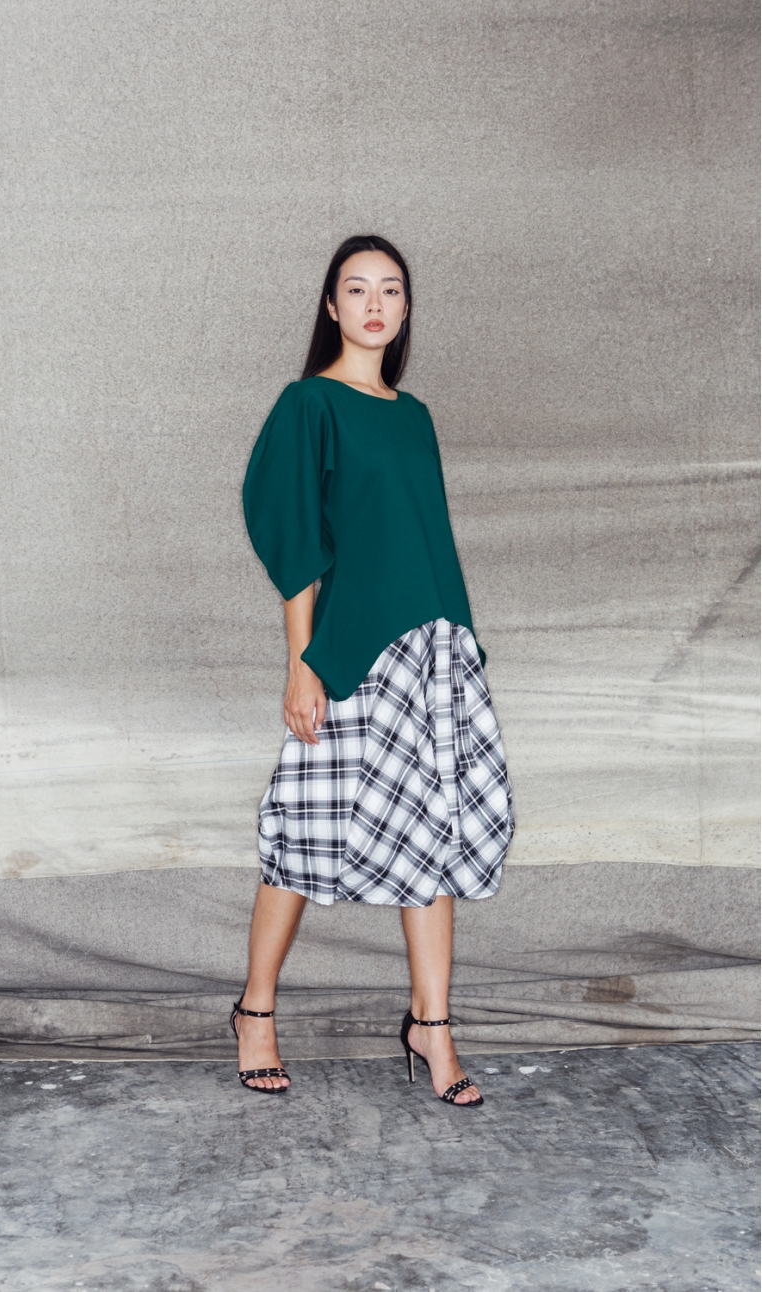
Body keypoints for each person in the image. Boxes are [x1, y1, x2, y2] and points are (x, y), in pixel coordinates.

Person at [235, 234, 514, 1105]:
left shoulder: (414, 415)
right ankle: (254, 1010)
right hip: (349, 653)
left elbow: (426, 540)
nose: (374, 305)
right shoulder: (309, 404)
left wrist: (458, 647)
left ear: (405, 307)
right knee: (303, 830)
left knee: (434, 832)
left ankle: (433, 1027)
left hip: (433, 647)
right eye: (356, 289)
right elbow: (295, 542)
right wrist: (301, 665)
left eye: (390, 290)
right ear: (331, 306)